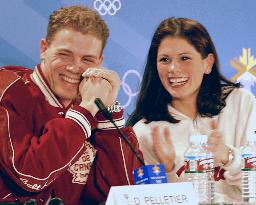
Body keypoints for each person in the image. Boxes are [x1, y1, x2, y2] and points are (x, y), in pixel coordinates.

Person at [0, 5, 142, 205]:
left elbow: (121, 193)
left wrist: (106, 110)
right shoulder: (7, 91)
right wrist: (84, 113)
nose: (75, 67)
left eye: (87, 59)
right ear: (44, 48)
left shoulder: (90, 106)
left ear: (99, 62)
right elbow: (30, 176)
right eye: (64, 54)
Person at [127, 17, 256, 203]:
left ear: (208, 63)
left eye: (185, 58)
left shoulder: (241, 103)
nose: (173, 68)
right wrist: (169, 170)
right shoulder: (146, 130)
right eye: (164, 59)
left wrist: (228, 157)